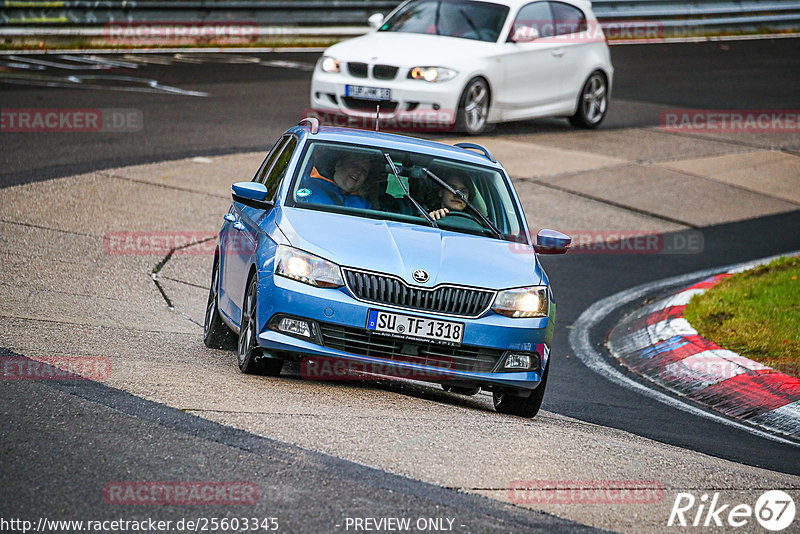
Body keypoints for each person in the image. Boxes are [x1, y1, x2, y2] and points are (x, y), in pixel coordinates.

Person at [298, 151, 374, 209]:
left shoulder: (364, 206)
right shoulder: (306, 184)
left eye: (364, 170)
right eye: (355, 165)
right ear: (339, 164)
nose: (359, 171)